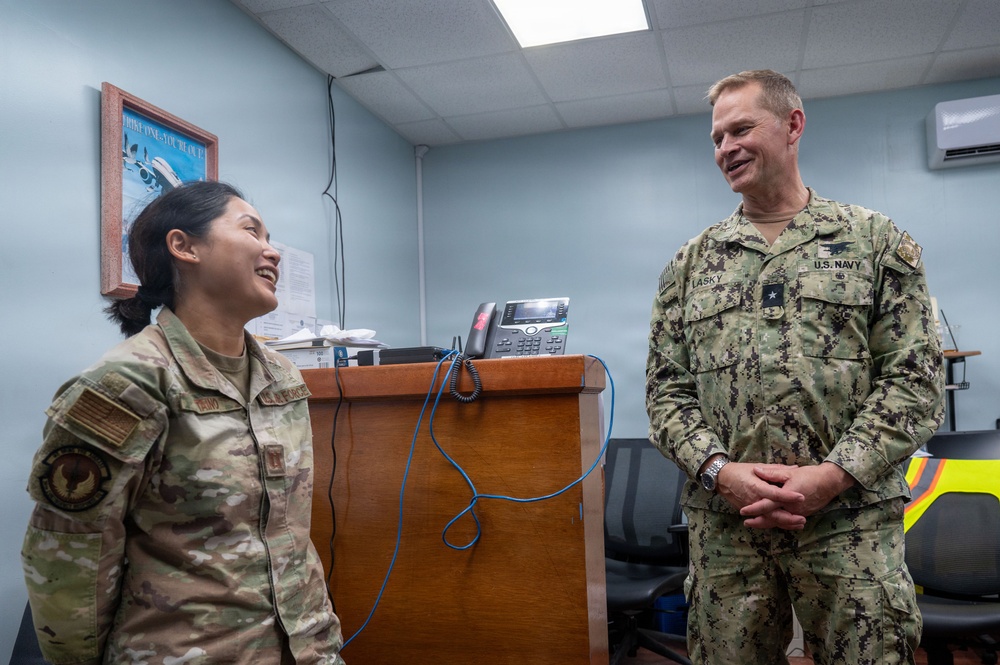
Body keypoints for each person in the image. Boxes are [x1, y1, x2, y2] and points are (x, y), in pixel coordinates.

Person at [646, 70, 944, 664]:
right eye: (715, 138)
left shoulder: (874, 242)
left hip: (848, 524)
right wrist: (720, 473)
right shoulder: (692, 264)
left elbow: (914, 383)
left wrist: (831, 476)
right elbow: (666, 395)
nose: (725, 147)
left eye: (740, 128)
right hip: (730, 529)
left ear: (792, 125)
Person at [21, 181, 346, 664]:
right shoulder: (127, 382)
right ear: (184, 246)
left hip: (306, 648)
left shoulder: (283, 376)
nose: (271, 251)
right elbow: (72, 559)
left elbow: (287, 536)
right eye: (251, 231)